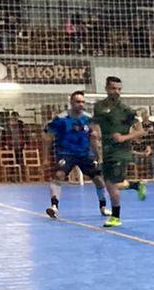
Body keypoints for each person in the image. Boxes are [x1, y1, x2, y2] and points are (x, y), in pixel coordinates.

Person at [45, 90, 108, 221]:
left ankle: (103, 207)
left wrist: (98, 155)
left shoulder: (88, 119)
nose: (81, 104)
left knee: (98, 179)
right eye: (78, 102)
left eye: (83, 102)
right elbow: (48, 137)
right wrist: (45, 157)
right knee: (59, 175)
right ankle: (54, 206)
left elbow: (94, 137)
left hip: (85, 154)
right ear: (71, 102)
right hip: (66, 153)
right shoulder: (61, 119)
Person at [93, 75, 145, 227]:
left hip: (121, 151)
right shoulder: (99, 106)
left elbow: (140, 131)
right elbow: (96, 124)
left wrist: (124, 137)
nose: (116, 91)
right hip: (107, 150)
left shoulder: (126, 110)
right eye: (113, 88)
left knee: (112, 185)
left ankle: (116, 217)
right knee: (110, 183)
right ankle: (135, 185)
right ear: (106, 88)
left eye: (119, 89)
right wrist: (95, 137)